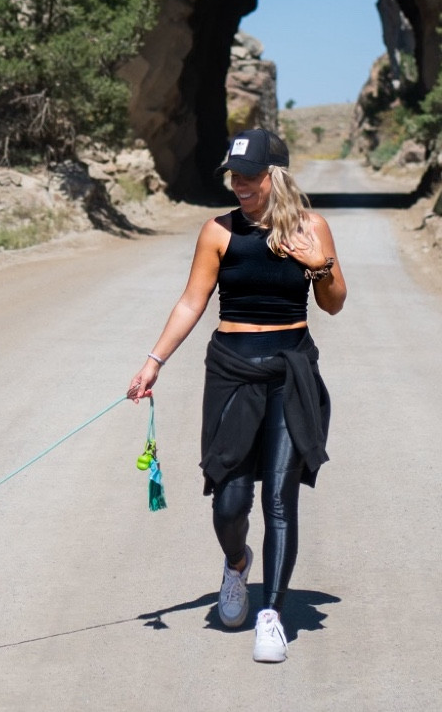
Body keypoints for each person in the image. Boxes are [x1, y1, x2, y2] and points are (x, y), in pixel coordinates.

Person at [127, 125, 346, 663]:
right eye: (234, 177)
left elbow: (335, 302)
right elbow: (191, 301)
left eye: (250, 177)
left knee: (278, 498)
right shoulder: (218, 232)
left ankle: (270, 614)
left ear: (276, 176)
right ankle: (236, 563)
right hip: (231, 369)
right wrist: (153, 362)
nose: (240, 186)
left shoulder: (312, 226)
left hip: (291, 371)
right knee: (229, 502)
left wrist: (317, 265)